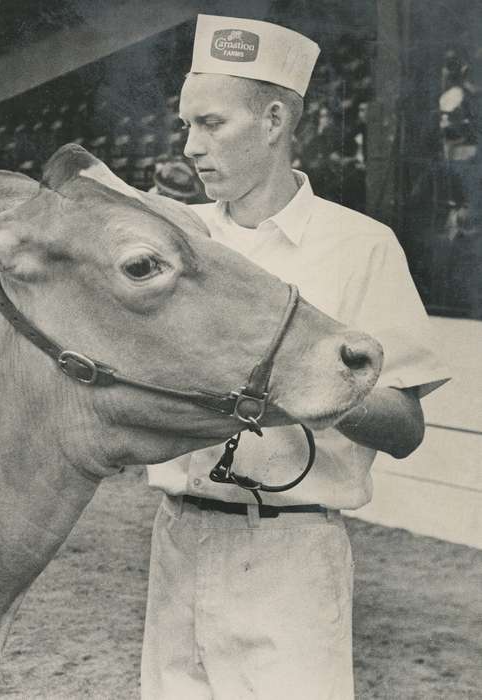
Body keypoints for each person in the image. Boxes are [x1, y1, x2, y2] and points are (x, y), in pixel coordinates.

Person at [142, 15, 450, 700]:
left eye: (212, 124)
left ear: (275, 119)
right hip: (178, 537)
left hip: (289, 555)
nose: (191, 146)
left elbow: (405, 427)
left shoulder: (359, 246)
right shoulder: (178, 244)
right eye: (187, 125)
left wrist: (302, 386)